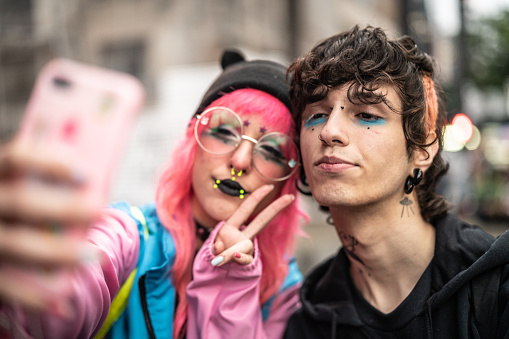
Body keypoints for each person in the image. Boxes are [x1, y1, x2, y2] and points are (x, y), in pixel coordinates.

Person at [0, 49, 308, 339]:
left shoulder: (285, 289)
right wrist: (34, 273)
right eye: (224, 131)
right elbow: (52, 315)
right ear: (192, 142)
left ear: (288, 180)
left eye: (271, 150)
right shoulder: (128, 236)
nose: (240, 161)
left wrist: (233, 280)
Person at [283, 25, 509, 338]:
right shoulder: (309, 318)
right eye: (316, 115)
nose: (329, 131)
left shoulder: (496, 286)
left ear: (422, 149)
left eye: (365, 114)